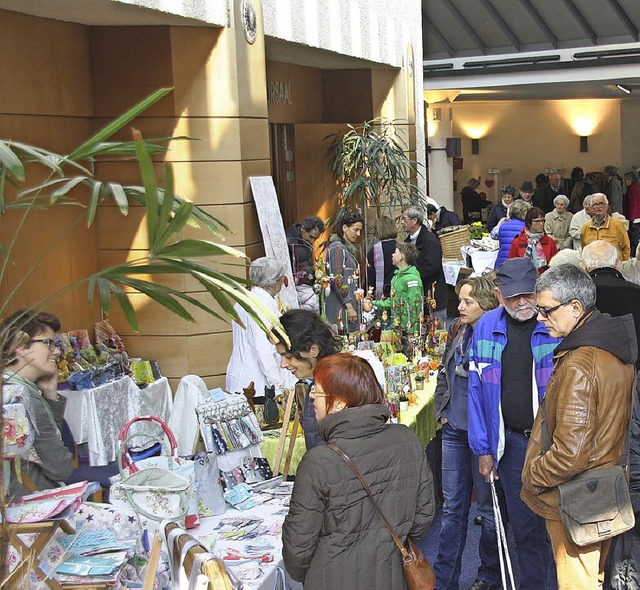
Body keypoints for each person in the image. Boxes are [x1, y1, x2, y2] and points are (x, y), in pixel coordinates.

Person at [522, 264, 637, 589]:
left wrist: (532, 474)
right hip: (604, 490)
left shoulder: (579, 364)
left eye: (545, 310)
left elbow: (569, 456)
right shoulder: (611, 346)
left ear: (575, 307)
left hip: (577, 501)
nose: (540, 318)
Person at [282, 352, 435, 589]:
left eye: (318, 390)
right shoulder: (406, 438)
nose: (311, 395)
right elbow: (424, 515)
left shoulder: (319, 461)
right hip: (393, 575)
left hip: (333, 579)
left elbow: (297, 548)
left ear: (340, 403)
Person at [469, 258, 559, 590]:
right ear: (497, 294)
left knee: (557, 527)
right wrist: (484, 450)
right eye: (512, 297)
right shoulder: (486, 325)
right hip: (511, 446)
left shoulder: (554, 323)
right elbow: (476, 393)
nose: (522, 303)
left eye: (528, 294)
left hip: (554, 446)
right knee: (524, 530)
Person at [433, 276, 502, 590]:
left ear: (485, 305)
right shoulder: (456, 330)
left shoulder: (497, 336)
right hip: (454, 433)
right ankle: (445, 579)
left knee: (488, 511)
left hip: (483, 437)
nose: (459, 307)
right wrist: (443, 414)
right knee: (452, 508)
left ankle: (488, 575)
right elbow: (443, 373)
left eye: (467, 302)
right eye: (459, 300)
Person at [1, 310, 74, 496]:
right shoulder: (23, 398)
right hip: (29, 506)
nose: (56, 351)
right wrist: (49, 400)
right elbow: (61, 468)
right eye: (48, 343)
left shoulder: (8, 387)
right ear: (21, 346)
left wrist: (49, 395)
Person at [226, 257, 296, 396]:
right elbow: (264, 349)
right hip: (255, 383)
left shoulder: (243, 301)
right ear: (273, 282)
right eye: (281, 278)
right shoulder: (262, 307)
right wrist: (278, 386)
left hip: (240, 376)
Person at [275, 309, 342, 450]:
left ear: (314, 350)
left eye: (288, 356)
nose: (283, 365)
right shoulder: (318, 382)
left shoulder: (331, 387)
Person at [582, 240, 640, 369]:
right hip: (633, 370)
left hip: (589, 370)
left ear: (583, 267)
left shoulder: (577, 297)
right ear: (618, 264)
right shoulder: (637, 293)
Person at [363, 241, 423, 336]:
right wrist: (373, 303)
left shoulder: (412, 279)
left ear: (401, 257)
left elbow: (415, 306)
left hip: (408, 330)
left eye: (395, 252)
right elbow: (393, 302)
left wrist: (412, 332)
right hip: (397, 327)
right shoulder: (396, 278)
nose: (392, 255)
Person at [401, 205, 447, 325]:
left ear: (414, 220)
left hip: (432, 293)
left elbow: (432, 267)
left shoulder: (430, 240)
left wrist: (412, 276)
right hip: (415, 296)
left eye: (404, 219)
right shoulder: (407, 242)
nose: (402, 222)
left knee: (436, 333)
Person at [325, 210, 364, 331]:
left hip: (346, 307)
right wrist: (349, 306)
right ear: (345, 227)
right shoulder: (337, 248)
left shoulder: (344, 248)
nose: (358, 234)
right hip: (340, 308)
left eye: (360, 230)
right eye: (355, 229)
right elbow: (337, 279)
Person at [286, 216, 325, 312]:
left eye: (315, 238)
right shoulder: (289, 241)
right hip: (295, 287)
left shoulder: (303, 239)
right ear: (303, 228)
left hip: (307, 283)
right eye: (310, 236)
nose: (312, 241)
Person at [580, 193, 631, 260]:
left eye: (601, 203)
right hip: (593, 267)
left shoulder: (618, 225)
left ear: (607, 206)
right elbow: (584, 249)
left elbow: (626, 248)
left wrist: (623, 265)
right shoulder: (586, 227)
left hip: (614, 267)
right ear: (591, 208)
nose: (598, 207)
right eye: (595, 204)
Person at [508, 206, 558, 273]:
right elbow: (511, 265)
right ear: (529, 223)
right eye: (537, 221)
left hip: (544, 279)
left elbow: (555, 266)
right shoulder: (517, 241)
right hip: (523, 279)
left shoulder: (550, 241)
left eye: (543, 221)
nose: (541, 224)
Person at [492, 199, 531, 269]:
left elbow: (493, 235)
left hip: (501, 263)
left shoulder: (503, 226)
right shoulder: (528, 228)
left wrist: (498, 224)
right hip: (519, 265)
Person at [366, 215, 397, 299]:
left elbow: (370, 278)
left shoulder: (373, 252)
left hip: (382, 294)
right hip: (399, 293)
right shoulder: (401, 248)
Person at [624, 171, 640, 256]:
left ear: (629, 180)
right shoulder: (637, 187)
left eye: (625, 180)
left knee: (633, 239)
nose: (624, 182)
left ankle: (633, 255)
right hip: (638, 216)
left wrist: (631, 218)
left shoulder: (632, 189)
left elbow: (633, 204)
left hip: (635, 218)